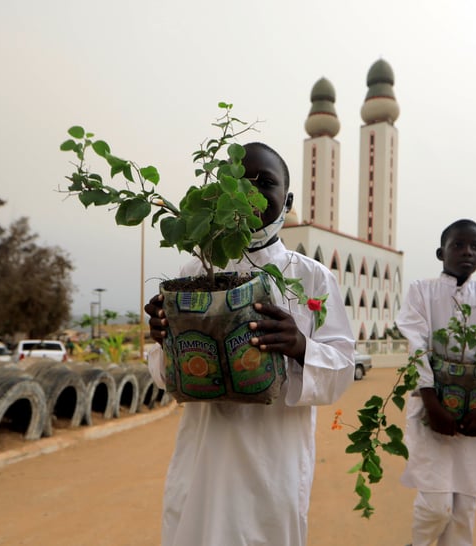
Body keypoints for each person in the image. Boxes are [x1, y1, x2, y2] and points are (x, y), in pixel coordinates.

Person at [145, 142, 355, 546]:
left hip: (274, 467)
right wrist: (164, 341)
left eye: (266, 183)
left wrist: (300, 346)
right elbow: (162, 373)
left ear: (287, 200)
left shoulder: (311, 278)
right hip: (203, 463)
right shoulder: (196, 272)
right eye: (238, 182)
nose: (250, 192)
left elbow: (342, 369)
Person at [396, 219, 476, 546]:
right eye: (458, 245)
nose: (467, 252)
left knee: (462, 513)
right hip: (433, 413)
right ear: (440, 252)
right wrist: (431, 402)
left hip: (475, 414)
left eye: (475, 247)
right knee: (436, 506)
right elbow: (418, 348)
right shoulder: (422, 291)